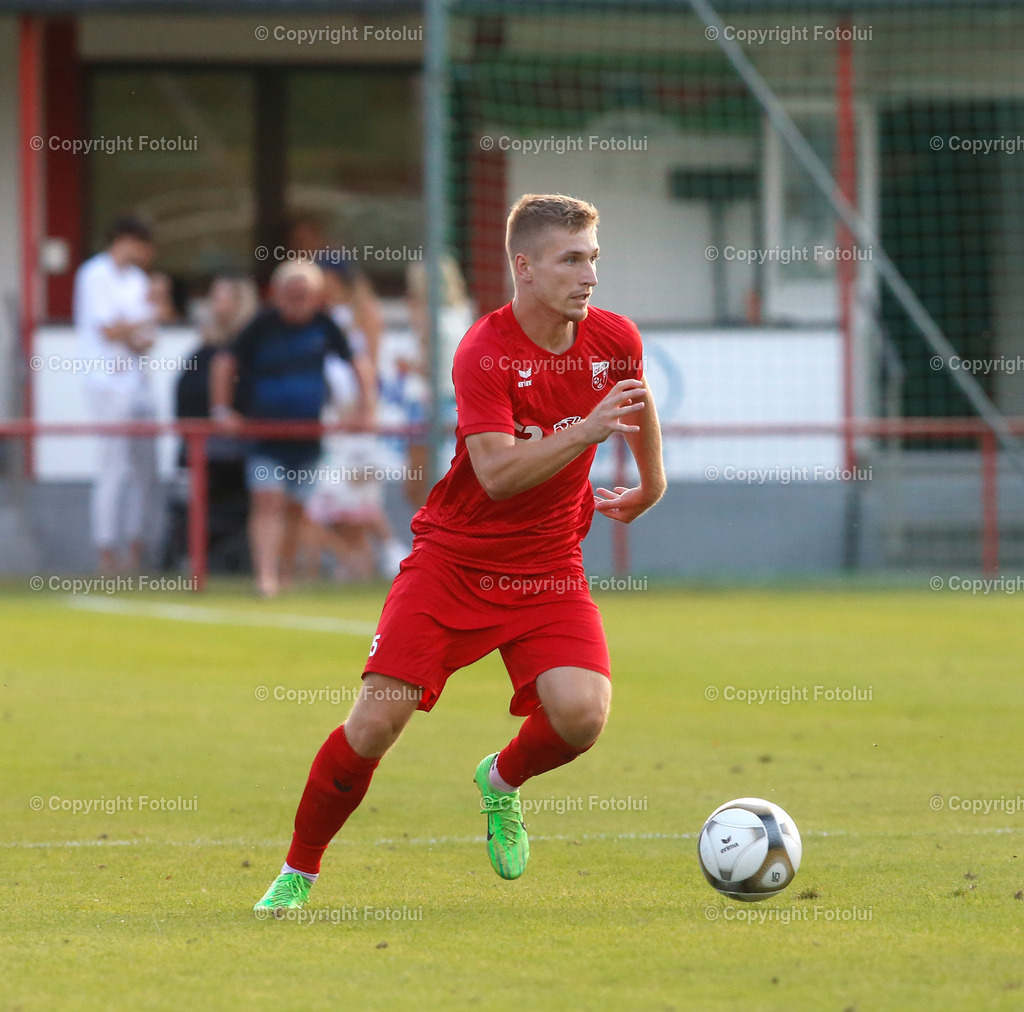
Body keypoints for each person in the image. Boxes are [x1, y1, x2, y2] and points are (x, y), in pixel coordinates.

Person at [253, 192, 666, 913]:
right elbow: (498, 473)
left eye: (593, 258)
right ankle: (298, 872)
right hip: (454, 563)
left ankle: (499, 781)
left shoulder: (613, 337)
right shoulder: (485, 350)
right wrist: (585, 430)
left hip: (548, 567)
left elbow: (635, 400)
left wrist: (652, 483)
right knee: (374, 725)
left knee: (582, 716)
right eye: (571, 260)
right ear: (524, 267)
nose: (589, 275)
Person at [209, 261, 371, 597]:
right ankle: (265, 575)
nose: (297, 301)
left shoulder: (324, 325)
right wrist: (223, 410)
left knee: (296, 508)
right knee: (267, 501)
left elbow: (357, 362)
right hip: (266, 435)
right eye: (291, 294)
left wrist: (365, 408)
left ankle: (284, 572)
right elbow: (225, 361)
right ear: (278, 294)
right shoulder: (261, 325)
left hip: (307, 437)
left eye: (304, 294)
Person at [73, 214, 160, 574]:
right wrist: (149, 314)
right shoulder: (94, 274)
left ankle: (136, 548)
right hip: (106, 383)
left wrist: (139, 325)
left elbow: (142, 338)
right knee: (113, 466)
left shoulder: (137, 280)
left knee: (145, 469)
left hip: (137, 382)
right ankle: (106, 549)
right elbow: (109, 330)